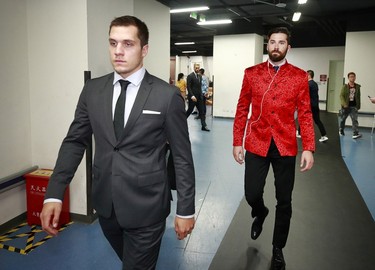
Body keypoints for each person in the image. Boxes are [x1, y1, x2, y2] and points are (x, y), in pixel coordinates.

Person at [40, 15, 195, 270]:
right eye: (113, 43)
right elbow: (75, 142)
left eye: (128, 44)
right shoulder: (92, 90)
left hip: (147, 208)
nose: (118, 51)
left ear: (144, 49)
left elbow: (182, 156)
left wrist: (185, 209)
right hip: (106, 207)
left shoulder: (166, 96)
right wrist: (54, 193)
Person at [232, 27, 315, 270]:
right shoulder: (252, 74)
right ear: (267, 46)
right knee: (252, 193)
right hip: (257, 142)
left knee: (284, 201)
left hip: (285, 145)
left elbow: (306, 114)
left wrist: (308, 146)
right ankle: (260, 211)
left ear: (288, 47)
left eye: (281, 42)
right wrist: (238, 141)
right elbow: (241, 108)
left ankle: (278, 248)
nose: (276, 46)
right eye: (272, 42)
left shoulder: (299, 77)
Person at [297, 70, 328, 142]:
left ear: (309, 75)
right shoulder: (315, 84)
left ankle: (299, 133)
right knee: (317, 120)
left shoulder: (308, 84)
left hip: (309, 106)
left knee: (303, 119)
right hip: (315, 105)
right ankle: (324, 135)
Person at [186, 63, 210, 131]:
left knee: (202, 112)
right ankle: (181, 123)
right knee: (189, 111)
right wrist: (192, 95)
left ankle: (204, 126)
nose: (197, 69)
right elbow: (188, 87)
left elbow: (200, 87)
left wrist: (204, 93)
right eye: (196, 68)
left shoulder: (200, 76)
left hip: (199, 97)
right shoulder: (190, 76)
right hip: (193, 98)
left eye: (198, 68)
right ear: (194, 68)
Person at [339, 72, 362, 139]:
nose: (352, 78)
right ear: (348, 78)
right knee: (343, 119)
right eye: (351, 76)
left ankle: (355, 133)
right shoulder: (345, 86)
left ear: (355, 78)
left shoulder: (357, 86)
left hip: (353, 106)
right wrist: (344, 104)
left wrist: (358, 106)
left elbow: (358, 96)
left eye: (353, 76)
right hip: (346, 106)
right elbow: (341, 96)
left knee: (354, 119)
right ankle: (341, 130)